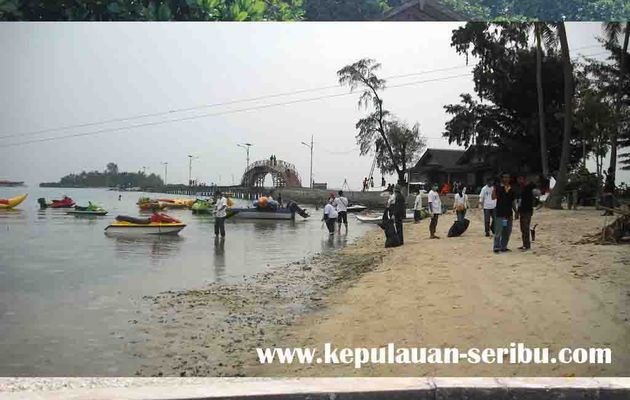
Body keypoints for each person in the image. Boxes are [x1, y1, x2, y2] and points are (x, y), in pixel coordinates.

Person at [492, 173, 519, 253]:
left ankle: (503, 246)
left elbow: (513, 202)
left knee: (507, 231)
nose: (506, 179)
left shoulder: (511, 189)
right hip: (500, 213)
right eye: (505, 177)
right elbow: (493, 197)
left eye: (508, 177)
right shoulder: (498, 188)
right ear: (502, 179)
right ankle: (496, 247)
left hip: (508, 214)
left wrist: (516, 211)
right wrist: (494, 189)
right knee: (498, 231)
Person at [517, 174, 540, 251]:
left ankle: (527, 245)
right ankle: (525, 244)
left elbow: (536, 192)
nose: (519, 181)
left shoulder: (529, 187)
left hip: (527, 210)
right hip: (522, 210)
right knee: (523, 228)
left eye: (520, 179)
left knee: (525, 227)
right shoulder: (521, 188)